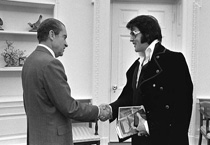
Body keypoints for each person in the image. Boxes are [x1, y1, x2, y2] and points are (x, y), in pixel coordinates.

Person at [102, 15, 193, 145]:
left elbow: (183, 106)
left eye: (134, 33)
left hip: (166, 139)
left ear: (148, 33)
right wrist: (109, 110)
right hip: (140, 139)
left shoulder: (174, 60)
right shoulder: (137, 65)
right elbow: (129, 97)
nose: (131, 39)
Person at [21, 18, 109, 145]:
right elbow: (69, 107)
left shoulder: (29, 61)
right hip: (52, 139)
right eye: (64, 37)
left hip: (37, 137)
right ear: (52, 35)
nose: (66, 43)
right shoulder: (51, 64)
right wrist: (98, 111)